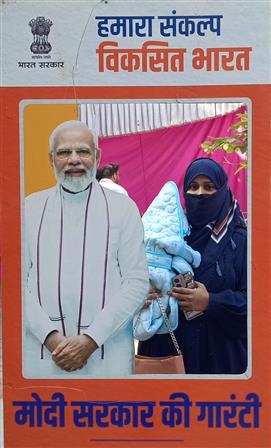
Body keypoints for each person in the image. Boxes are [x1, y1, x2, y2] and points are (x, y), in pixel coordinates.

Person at [24, 120, 149, 377]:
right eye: (63, 153)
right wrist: (51, 338)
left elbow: (136, 283)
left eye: (82, 151)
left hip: (107, 358)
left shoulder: (123, 209)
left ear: (97, 156)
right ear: (51, 159)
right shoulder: (29, 209)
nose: (73, 160)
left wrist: (91, 340)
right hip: (43, 356)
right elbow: (16, 285)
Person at [138, 158, 247, 374]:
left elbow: (258, 307)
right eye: (193, 187)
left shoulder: (240, 241)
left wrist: (211, 301)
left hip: (219, 360)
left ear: (223, 190)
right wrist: (141, 296)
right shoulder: (167, 237)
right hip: (165, 356)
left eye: (209, 187)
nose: (199, 194)